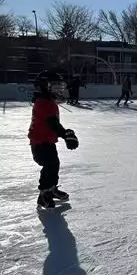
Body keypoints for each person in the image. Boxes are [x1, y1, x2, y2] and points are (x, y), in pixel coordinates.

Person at [29, 71, 79, 209]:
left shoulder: (48, 102)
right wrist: (65, 135)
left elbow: (53, 124)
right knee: (50, 166)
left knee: (54, 165)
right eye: (55, 87)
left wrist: (64, 134)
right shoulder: (44, 104)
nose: (59, 91)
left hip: (47, 141)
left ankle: (51, 189)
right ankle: (44, 194)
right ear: (44, 87)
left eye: (60, 87)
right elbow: (52, 123)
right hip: (40, 143)